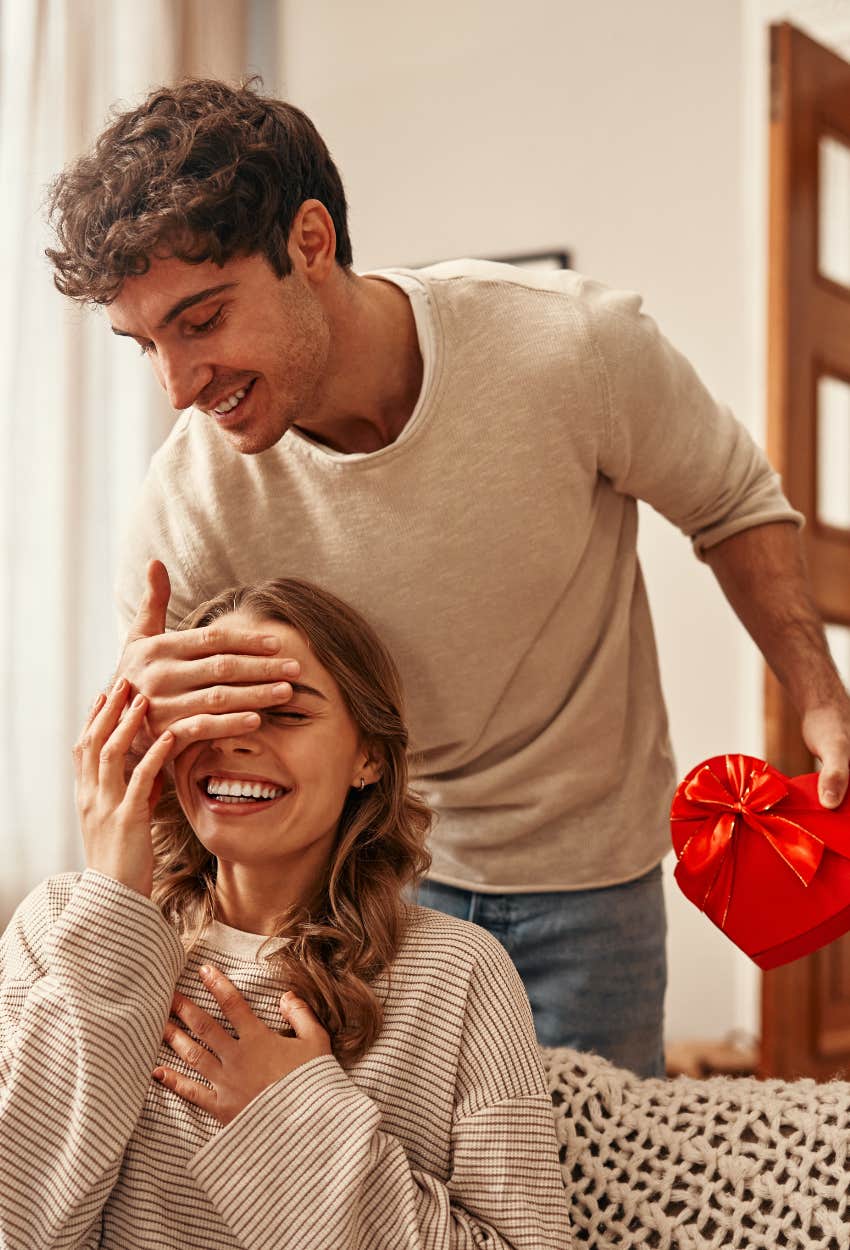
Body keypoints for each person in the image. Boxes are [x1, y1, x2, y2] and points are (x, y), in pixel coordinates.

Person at [45, 78, 850, 1078]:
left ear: (308, 240)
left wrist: (820, 697)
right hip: (361, 886)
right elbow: (158, 779)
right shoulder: (189, 503)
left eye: (201, 321)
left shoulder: (571, 348)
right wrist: (148, 728)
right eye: (146, 344)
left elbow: (731, 503)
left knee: (585, 1197)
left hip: (589, 877)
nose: (177, 384)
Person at [0, 576, 569, 1250]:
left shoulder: (458, 975)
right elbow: (21, 1228)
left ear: (370, 758)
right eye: (209, 713)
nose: (234, 740)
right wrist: (117, 907)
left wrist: (292, 1119)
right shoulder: (61, 927)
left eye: (287, 713)